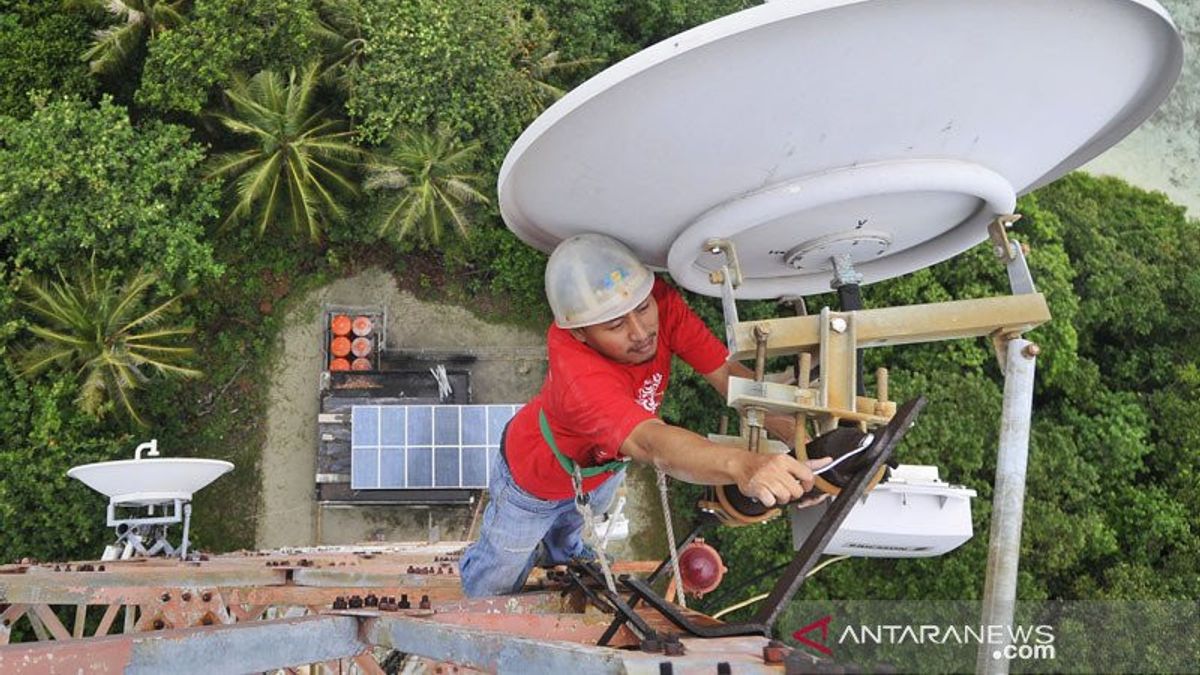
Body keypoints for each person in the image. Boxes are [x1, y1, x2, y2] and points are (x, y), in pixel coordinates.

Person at [459, 233, 826, 597]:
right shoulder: (580, 378)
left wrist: (797, 441)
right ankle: (472, 620)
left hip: (601, 469)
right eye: (615, 325)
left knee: (573, 524)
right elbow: (652, 443)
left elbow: (728, 376)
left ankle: (561, 551)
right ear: (582, 334)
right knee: (497, 577)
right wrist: (743, 466)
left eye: (642, 309)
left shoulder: (655, 303)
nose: (641, 332)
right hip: (534, 481)